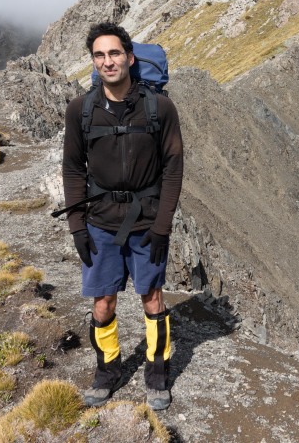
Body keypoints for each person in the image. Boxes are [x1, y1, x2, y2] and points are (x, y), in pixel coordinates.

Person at [61, 22, 183, 410]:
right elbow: (72, 170)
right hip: (99, 223)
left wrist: (163, 226)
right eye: (99, 55)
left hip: (146, 221)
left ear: (130, 58)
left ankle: (157, 373)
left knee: (152, 298)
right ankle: (107, 370)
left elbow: (174, 168)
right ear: (93, 63)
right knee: (103, 303)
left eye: (114, 53)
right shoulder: (81, 110)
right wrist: (78, 227)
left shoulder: (159, 107)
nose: (107, 61)